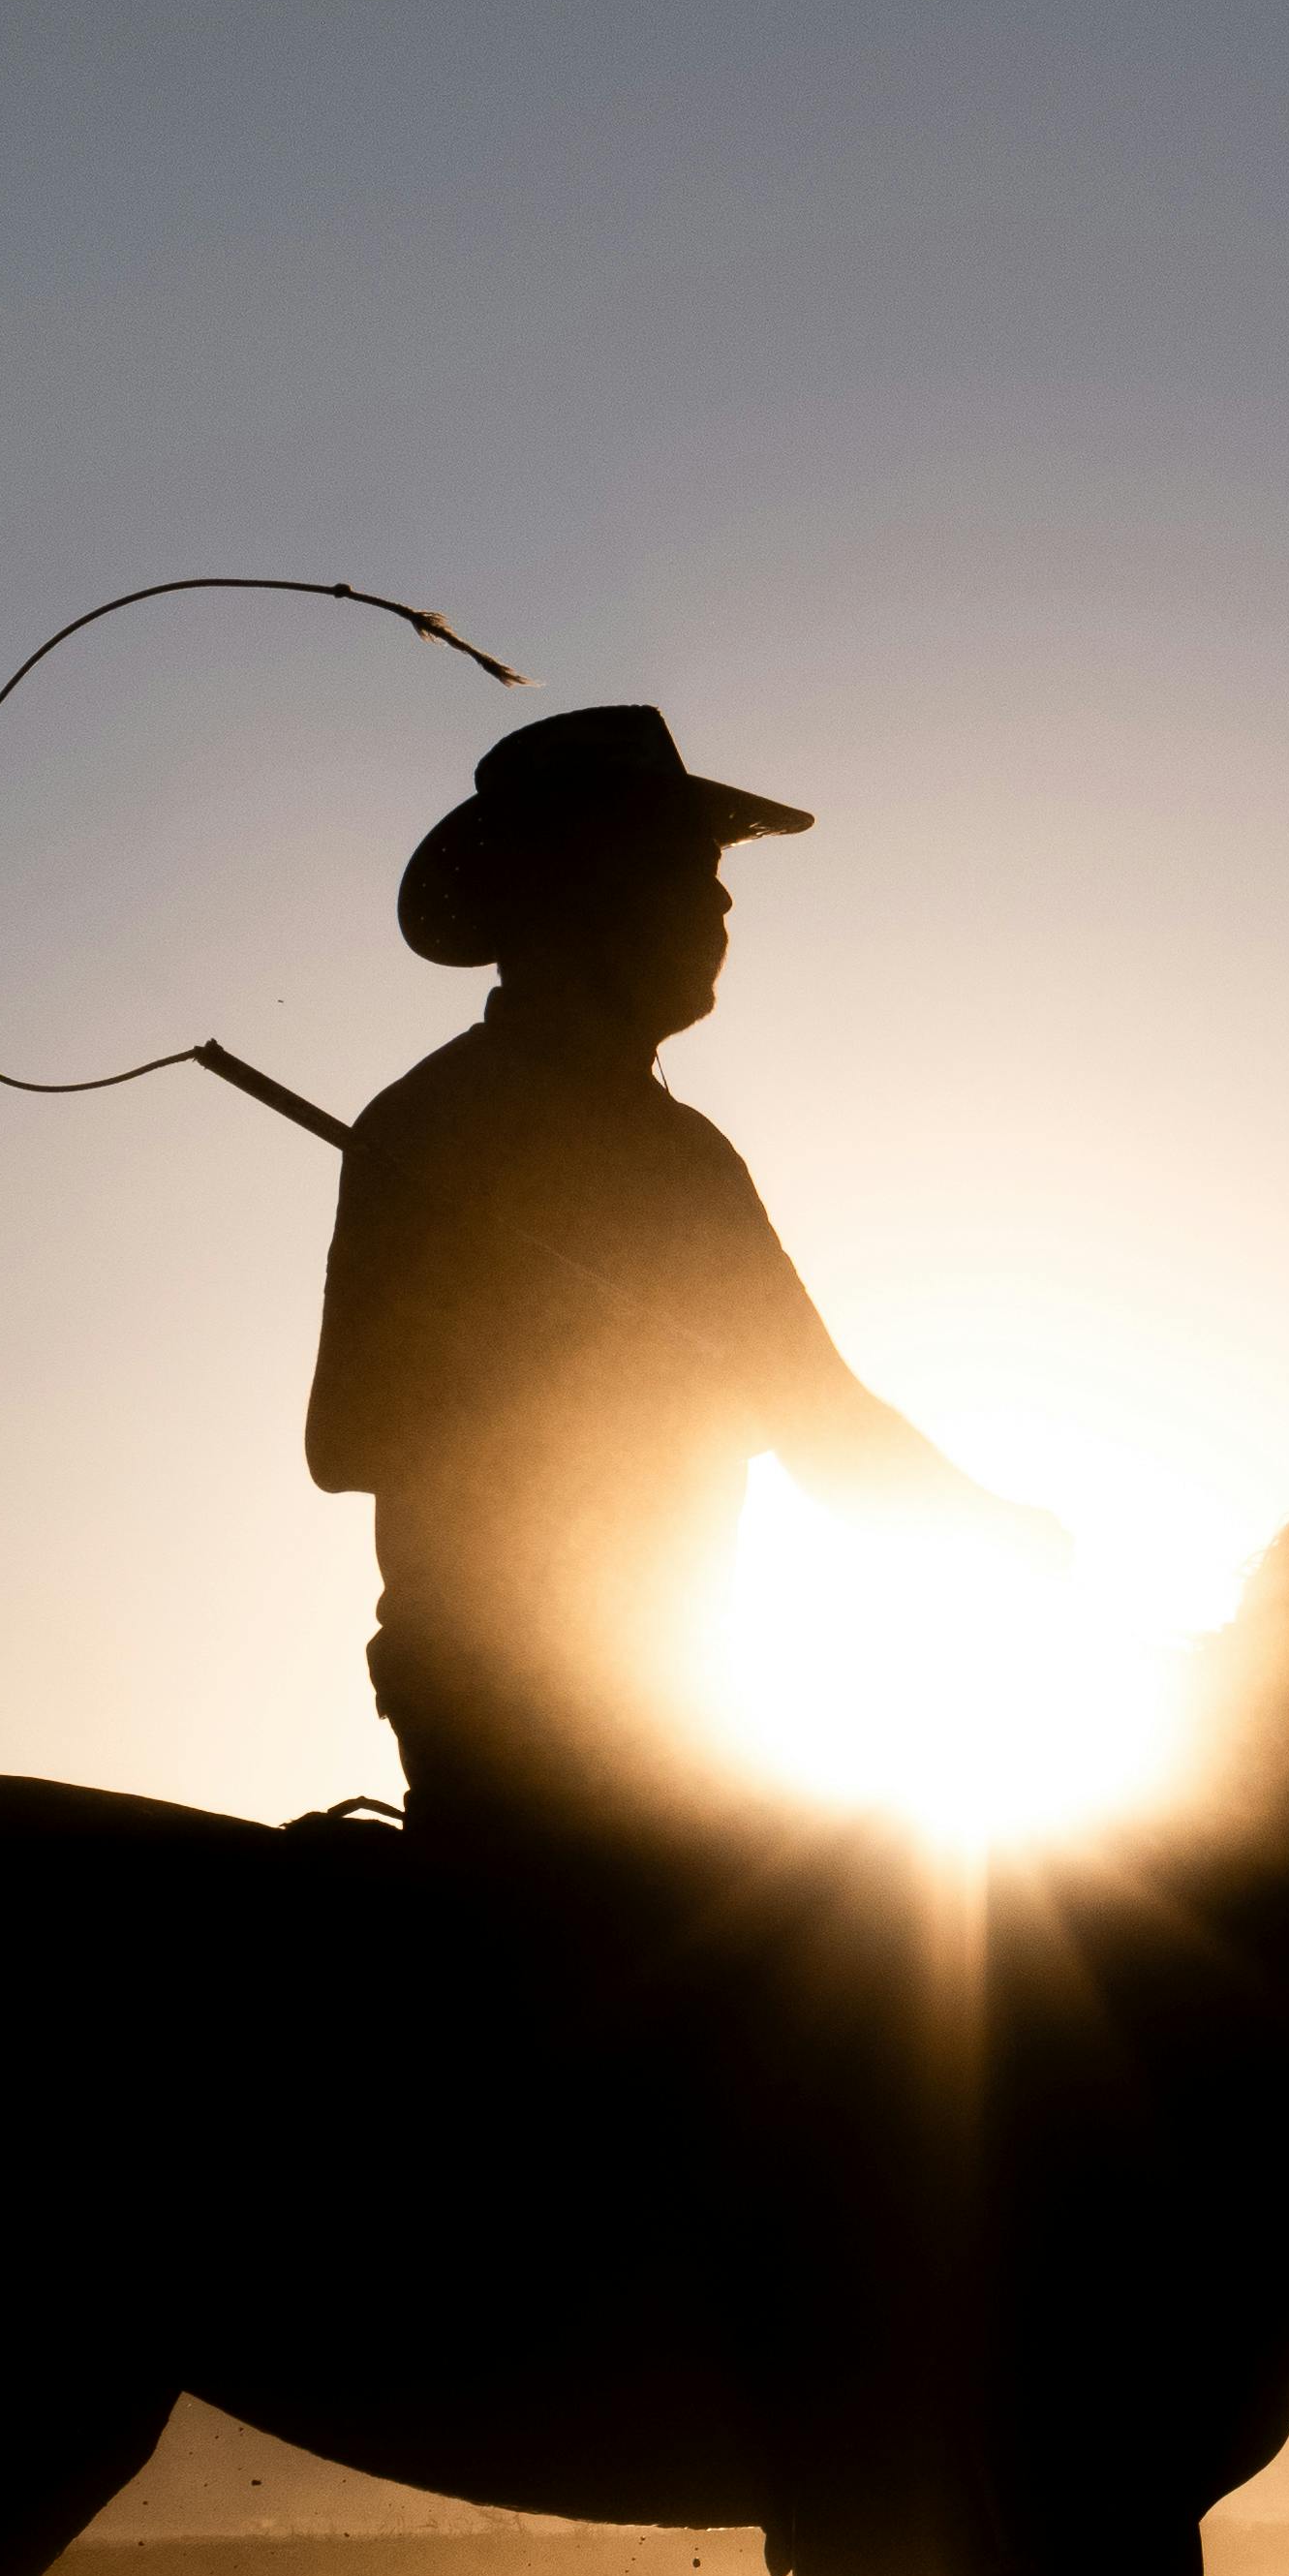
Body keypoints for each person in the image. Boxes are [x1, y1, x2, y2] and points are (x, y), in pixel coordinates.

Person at [308, 703, 1051, 1867]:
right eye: (686, 871)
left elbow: (820, 1415)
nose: (722, 905)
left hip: (683, 1699)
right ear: (587, 890)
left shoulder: (690, 1158)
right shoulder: (428, 1124)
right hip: (497, 1707)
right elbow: (345, 1436)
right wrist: (583, 1365)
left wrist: (994, 1535)